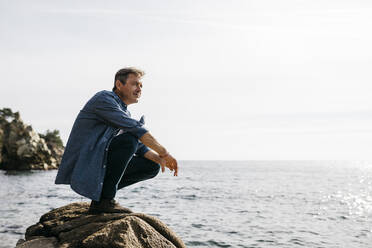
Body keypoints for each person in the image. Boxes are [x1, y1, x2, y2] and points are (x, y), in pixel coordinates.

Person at [54, 67, 178, 214]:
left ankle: (100, 199)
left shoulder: (124, 110)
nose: (139, 89)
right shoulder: (104, 99)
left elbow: (139, 147)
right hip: (87, 164)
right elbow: (135, 132)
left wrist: (159, 159)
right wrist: (164, 153)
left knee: (151, 166)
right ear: (119, 85)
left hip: (100, 164)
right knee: (129, 139)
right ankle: (105, 200)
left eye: (141, 86)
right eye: (135, 84)